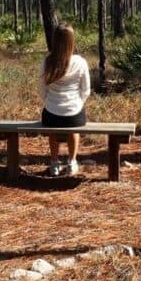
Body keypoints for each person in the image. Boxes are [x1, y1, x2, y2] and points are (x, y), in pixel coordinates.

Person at [39, 23, 90, 176]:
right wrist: (76, 105)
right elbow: (86, 90)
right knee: (73, 128)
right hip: (74, 114)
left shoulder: (47, 61)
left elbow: (41, 89)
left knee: (52, 129)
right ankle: (72, 162)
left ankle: (54, 163)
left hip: (51, 114)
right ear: (72, 40)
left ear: (54, 40)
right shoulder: (80, 62)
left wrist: (50, 102)